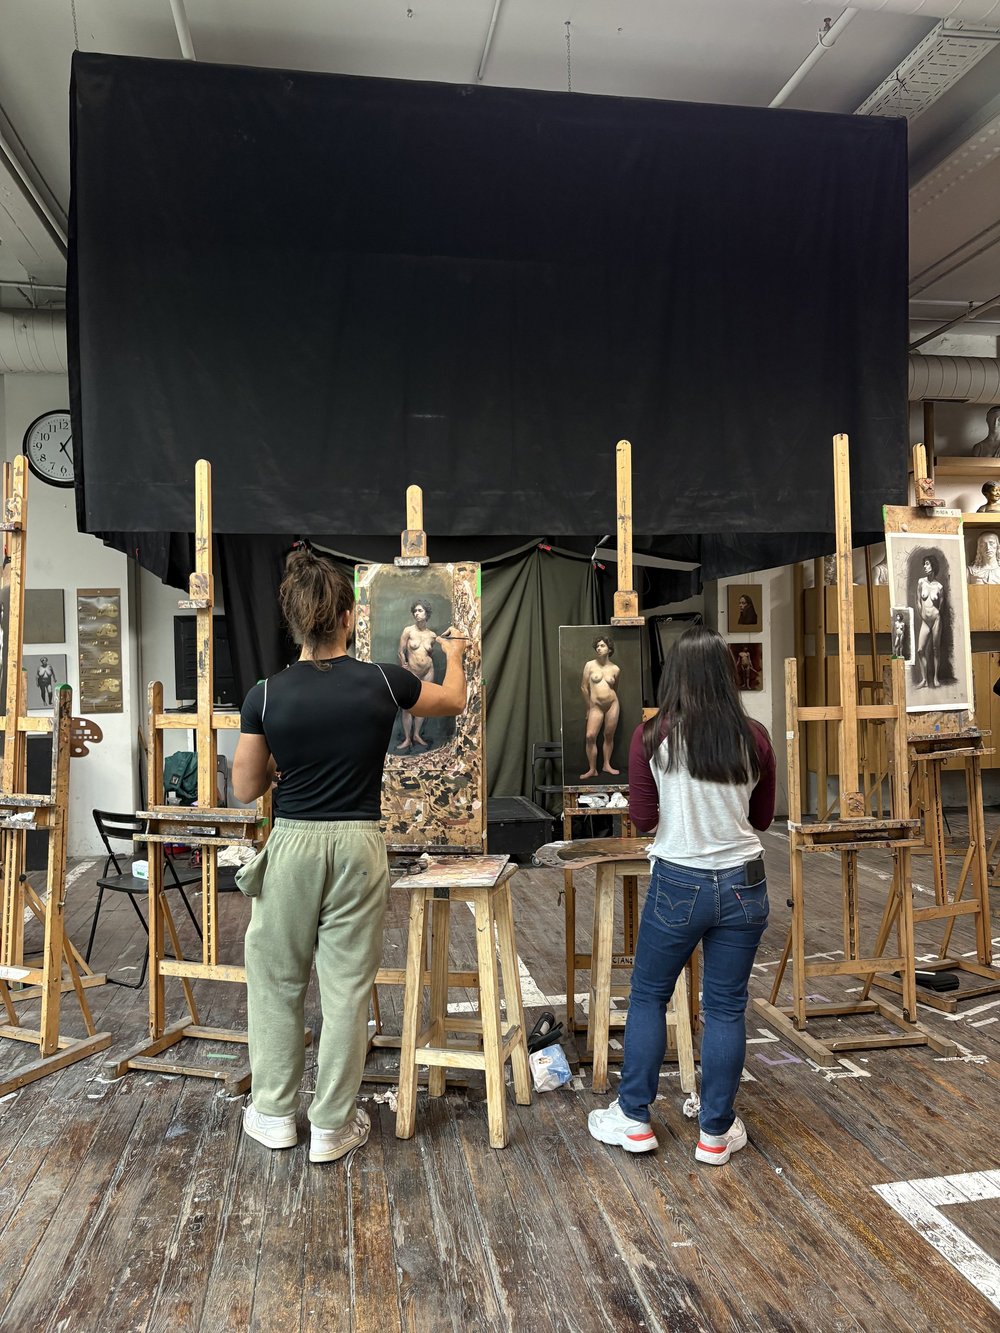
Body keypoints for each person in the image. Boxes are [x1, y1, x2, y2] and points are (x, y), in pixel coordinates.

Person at [232, 545, 467, 1164]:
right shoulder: (384, 681)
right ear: (348, 617)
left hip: (293, 844)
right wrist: (457, 652)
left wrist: (281, 765)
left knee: (277, 982)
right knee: (345, 989)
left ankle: (274, 1115)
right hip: (360, 844)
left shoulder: (265, 694)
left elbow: (246, 787)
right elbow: (452, 701)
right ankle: (332, 1127)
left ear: (294, 621)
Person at [588, 624, 775, 1164]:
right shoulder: (755, 737)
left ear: (674, 676)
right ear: (726, 675)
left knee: (649, 995)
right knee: (725, 1006)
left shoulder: (651, 737)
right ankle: (715, 1132)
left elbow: (644, 819)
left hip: (678, 882)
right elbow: (762, 819)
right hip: (744, 883)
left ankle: (634, 1119)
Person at [396, 600, 437, 750]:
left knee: (423, 704)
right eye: (415, 611)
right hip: (411, 671)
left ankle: (417, 735)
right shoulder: (408, 631)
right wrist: (404, 665)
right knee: (407, 705)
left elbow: (429, 653)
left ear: (427, 613)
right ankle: (407, 738)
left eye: (420, 610)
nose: (416, 613)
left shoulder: (432, 635)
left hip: (428, 671)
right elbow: (400, 651)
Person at [579, 635, 621, 779]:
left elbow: (615, 688)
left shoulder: (615, 669)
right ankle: (592, 769)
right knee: (590, 736)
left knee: (609, 735)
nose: (598, 648)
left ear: (609, 649)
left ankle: (606, 765)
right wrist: (588, 707)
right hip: (595, 706)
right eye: (597, 646)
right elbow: (583, 687)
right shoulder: (590, 665)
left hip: (612, 704)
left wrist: (610, 699)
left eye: (602, 646)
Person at [914, 554, 945, 689]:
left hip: (936, 620)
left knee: (936, 649)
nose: (925, 567)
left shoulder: (939, 586)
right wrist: (922, 615)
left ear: (933, 565)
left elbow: (941, 606)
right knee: (920, 650)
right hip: (925, 621)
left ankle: (936, 678)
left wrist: (935, 616)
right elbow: (918, 601)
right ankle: (924, 680)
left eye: (927, 564)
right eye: (924, 564)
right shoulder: (921, 582)